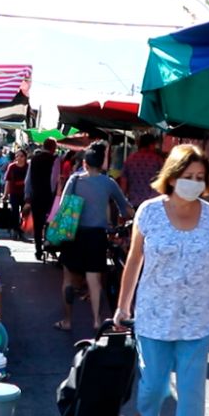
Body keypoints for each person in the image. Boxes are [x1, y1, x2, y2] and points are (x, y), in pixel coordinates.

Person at [115, 144, 209, 416]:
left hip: (198, 317)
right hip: (154, 315)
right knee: (153, 387)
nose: (194, 182)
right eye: (187, 175)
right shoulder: (150, 211)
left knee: (192, 392)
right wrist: (122, 306)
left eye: (199, 176)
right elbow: (134, 260)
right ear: (172, 175)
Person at [54, 141, 133, 331]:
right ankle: (97, 321)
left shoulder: (75, 180)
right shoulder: (109, 183)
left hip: (73, 235)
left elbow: (63, 207)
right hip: (97, 237)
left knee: (68, 279)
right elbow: (125, 209)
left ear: (85, 164)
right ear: (101, 164)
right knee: (94, 281)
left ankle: (67, 321)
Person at [25, 138, 60, 260]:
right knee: (50, 223)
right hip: (49, 197)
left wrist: (27, 196)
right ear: (53, 148)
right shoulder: (55, 160)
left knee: (38, 224)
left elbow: (28, 180)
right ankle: (49, 246)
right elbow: (54, 179)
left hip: (35, 195)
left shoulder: (34, 159)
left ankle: (38, 250)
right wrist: (52, 195)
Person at [120, 134, 164, 208]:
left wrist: (123, 204)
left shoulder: (130, 159)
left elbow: (123, 183)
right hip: (152, 204)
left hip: (133, 203)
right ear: (151, 144)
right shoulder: (157, 160)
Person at [3, 149, 28, 240]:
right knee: (14, 213)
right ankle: (15, 230)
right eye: (17, 156)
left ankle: (21, 232)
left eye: (21, 156)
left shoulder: (28, 167)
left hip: (25, 194)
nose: (19, 158)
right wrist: (5, 194)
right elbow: (8, 181)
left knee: (24, 213)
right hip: (14, 193)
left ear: (25, 157)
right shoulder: (12, 167)